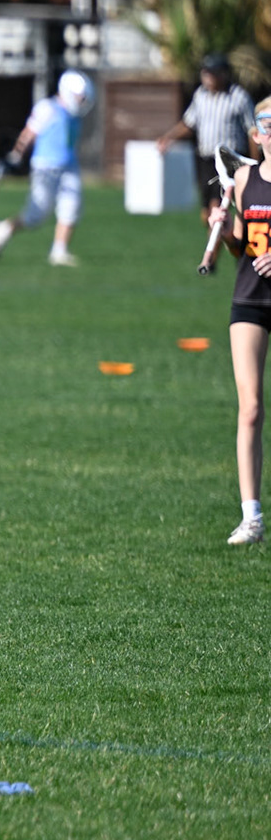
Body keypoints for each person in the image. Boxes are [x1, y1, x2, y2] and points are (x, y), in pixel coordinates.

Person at [205, 99, 271, 546]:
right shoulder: (245, 179)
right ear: (257, 134)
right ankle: (252, 517)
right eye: (267, 124)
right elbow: (241, 247)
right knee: (250, 408)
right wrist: (226, 231)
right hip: (250, 299)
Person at [0, 71, 94, 266]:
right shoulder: (48, 108)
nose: (82, 101)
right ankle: (4, 229)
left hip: (69, 165)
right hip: (45, 166)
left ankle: (59, 251)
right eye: (79, 96)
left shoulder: (74, 115)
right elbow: (29, 133)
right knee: (36, 215)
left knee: (71, 206)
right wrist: (15, 156)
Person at [157, 53, 259, 211]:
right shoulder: (201, 95)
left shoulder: (238, 97)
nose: (208, 78)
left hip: (228, 158)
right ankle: (217, 226)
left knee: (216, 203)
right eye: (206, 73)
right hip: (206, 159)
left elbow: (252, 131)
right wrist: (168, 138)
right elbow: (189, 124)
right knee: (206, 210)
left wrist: (255, 164)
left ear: (223, 74)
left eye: (212, 73)